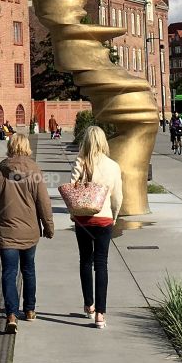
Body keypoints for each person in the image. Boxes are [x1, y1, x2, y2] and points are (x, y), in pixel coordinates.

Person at [0, 133, 55, 334]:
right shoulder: (35, 172)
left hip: (6, 231)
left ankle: (11, 315)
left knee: (9, 272)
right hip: (30, 231)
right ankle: (30, 310)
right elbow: (44, 204)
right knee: (29, 269)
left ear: (10, 147)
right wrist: (48, 227)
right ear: (27, 148)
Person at [67, 125, 122, 330]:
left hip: (83, 221)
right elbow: (118, 197)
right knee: (101, 264)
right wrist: (114, 216)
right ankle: (100, 314)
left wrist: (74, 214)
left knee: (85, 261)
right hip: (104, 219)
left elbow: (72, 190)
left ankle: (88, 305)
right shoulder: (113, 166)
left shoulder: (81, 162)